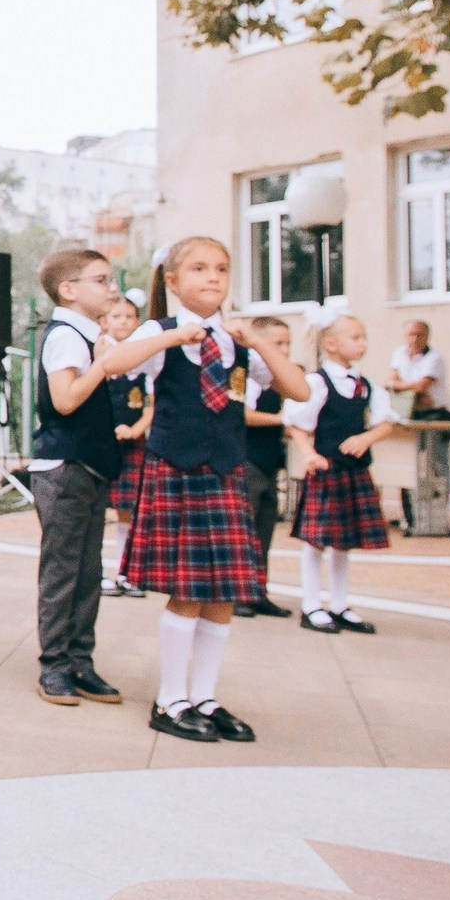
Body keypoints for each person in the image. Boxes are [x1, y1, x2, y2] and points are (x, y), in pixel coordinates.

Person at [124, 237, 311, 744]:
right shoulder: (158, 330)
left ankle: (204, 696)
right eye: (199, 268)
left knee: (223, 593)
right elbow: (117, 364)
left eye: (222, 269)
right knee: (188, 591)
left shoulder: (234, 341)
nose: (212, 277)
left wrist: (257, 340)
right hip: (178, 470)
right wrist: (171, 338)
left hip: (227, 471)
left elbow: (299, 390)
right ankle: (171, 698)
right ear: (173, 281)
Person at [26, 245, 157, 705]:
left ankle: (80, 661)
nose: (112, 288)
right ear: (68, 290)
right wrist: (101, 364)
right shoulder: (65, 335)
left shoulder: (90, 335)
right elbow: (64, 401)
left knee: (87, 571)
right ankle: (54, 666)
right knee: (63, 572)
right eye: (101, 280)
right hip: (66, 466)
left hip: (90, 465)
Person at [284, 311, 402, 634]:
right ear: (331, 343)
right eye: (355, 337)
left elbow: (387, 422)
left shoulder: (368, 386)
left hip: (354, 471)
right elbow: (295, 423)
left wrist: (366, 438)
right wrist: (309, 454)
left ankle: (338, 604)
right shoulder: (316, 383)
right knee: (316, 541)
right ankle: (311, 605)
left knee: (343, 541)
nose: (362, 343)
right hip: (327, 470)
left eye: (363, 337)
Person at [235, 316, 293, 617]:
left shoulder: (278, 377)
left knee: (264, 529)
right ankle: (237, 593)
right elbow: (242, 413)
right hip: (249, 460)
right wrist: (281, 419)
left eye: (287, 343)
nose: (284, 349)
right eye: (277, 343)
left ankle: (258, 591)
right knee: (245, 530)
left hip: (269, 462)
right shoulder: (251, 374)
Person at [100, 293, 150, 597]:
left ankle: (126, 571)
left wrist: (136, 429)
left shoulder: (144, 356)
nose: (124, 322)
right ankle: (99, 572)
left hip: (133, 441)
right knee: (98, 508)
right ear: (105, 322)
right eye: (117, 317)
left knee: (129, 511)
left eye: (130, 317)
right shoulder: (100, 352)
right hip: (103, 441)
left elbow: (153, 404)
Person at [385, 320, 447, 422]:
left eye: (419, 335)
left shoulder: (435, 358)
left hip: (432, 413)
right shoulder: (399, 353)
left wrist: (396, 386)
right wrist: (416, 389)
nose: (415, 339)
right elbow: (391, 381)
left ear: (427, 337)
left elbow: (421, 386)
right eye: (411, 335)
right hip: (406, 411)